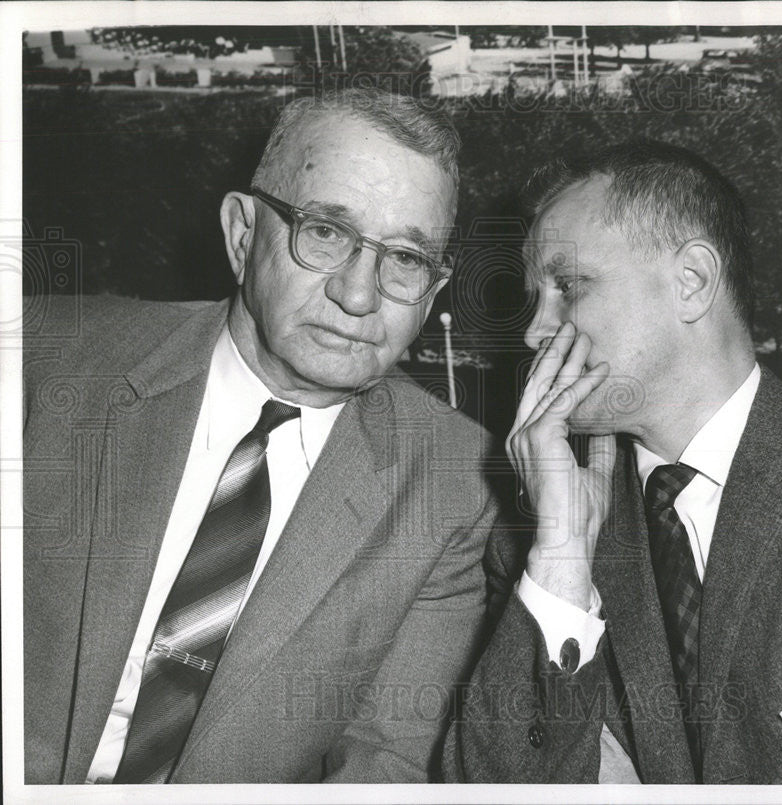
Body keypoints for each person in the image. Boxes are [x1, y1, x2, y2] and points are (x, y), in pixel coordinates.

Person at [444, 141, 782, 784]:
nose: (533, 332)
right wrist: (560, 555)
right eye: (535, 298)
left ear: (691, 282)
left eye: (568, 286)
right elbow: (493, 784)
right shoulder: (535, 541)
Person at [22, 87, 499, 784]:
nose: (359, 295)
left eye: (405, 258)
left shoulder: (453, 483)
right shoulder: (40, 362)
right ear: (243, 233)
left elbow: (385, 762)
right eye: (327, 233)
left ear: (432, 290)